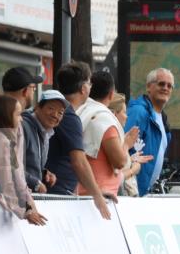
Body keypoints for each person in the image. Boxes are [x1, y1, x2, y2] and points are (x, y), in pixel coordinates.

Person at [44, 61, 111, 219]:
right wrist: (97, 196)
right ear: (83, 88)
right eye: (89, 82)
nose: (90, 86)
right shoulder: (69, 116)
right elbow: (78, 161)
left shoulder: (57, 111)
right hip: (56, 195)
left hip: (51, 191)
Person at [0, 94, 45, 225]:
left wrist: (29, 207)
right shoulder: (1, 141)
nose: (21, 119)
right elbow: (6, 181)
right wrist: (24, 211)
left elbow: (16, 176)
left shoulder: (0, 138)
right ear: (6, 116)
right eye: (18, 114)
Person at [76, 74, 137, 198]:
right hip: (100, 197)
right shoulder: (104, 119)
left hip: (81, 193)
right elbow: (119, 162)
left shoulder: (80, 112)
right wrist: (126, 144)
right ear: (111, 94)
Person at [124, 67, 173, 196]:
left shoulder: (163, 119)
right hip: (131, 191)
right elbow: (121, 147)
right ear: (148, 87)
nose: (166, 88)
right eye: (161, 83)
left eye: (169, 86)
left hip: (146, 194)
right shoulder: (138, 112)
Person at [22, 89, 67, 194]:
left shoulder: (45, 132)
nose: (55, 115)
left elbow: (29, 164)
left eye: (60, 113)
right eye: (51, 108)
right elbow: (11, 166)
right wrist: (35, 182)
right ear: (37, 106)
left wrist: (44, 173)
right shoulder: (24, 127)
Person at [109, 97, 151, 196]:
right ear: (115, 114)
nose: (127, 117)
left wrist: (131, 159)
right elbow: (115, 176)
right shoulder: (112, 140)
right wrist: (133, 170)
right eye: (124, 112)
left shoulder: (118, 137)